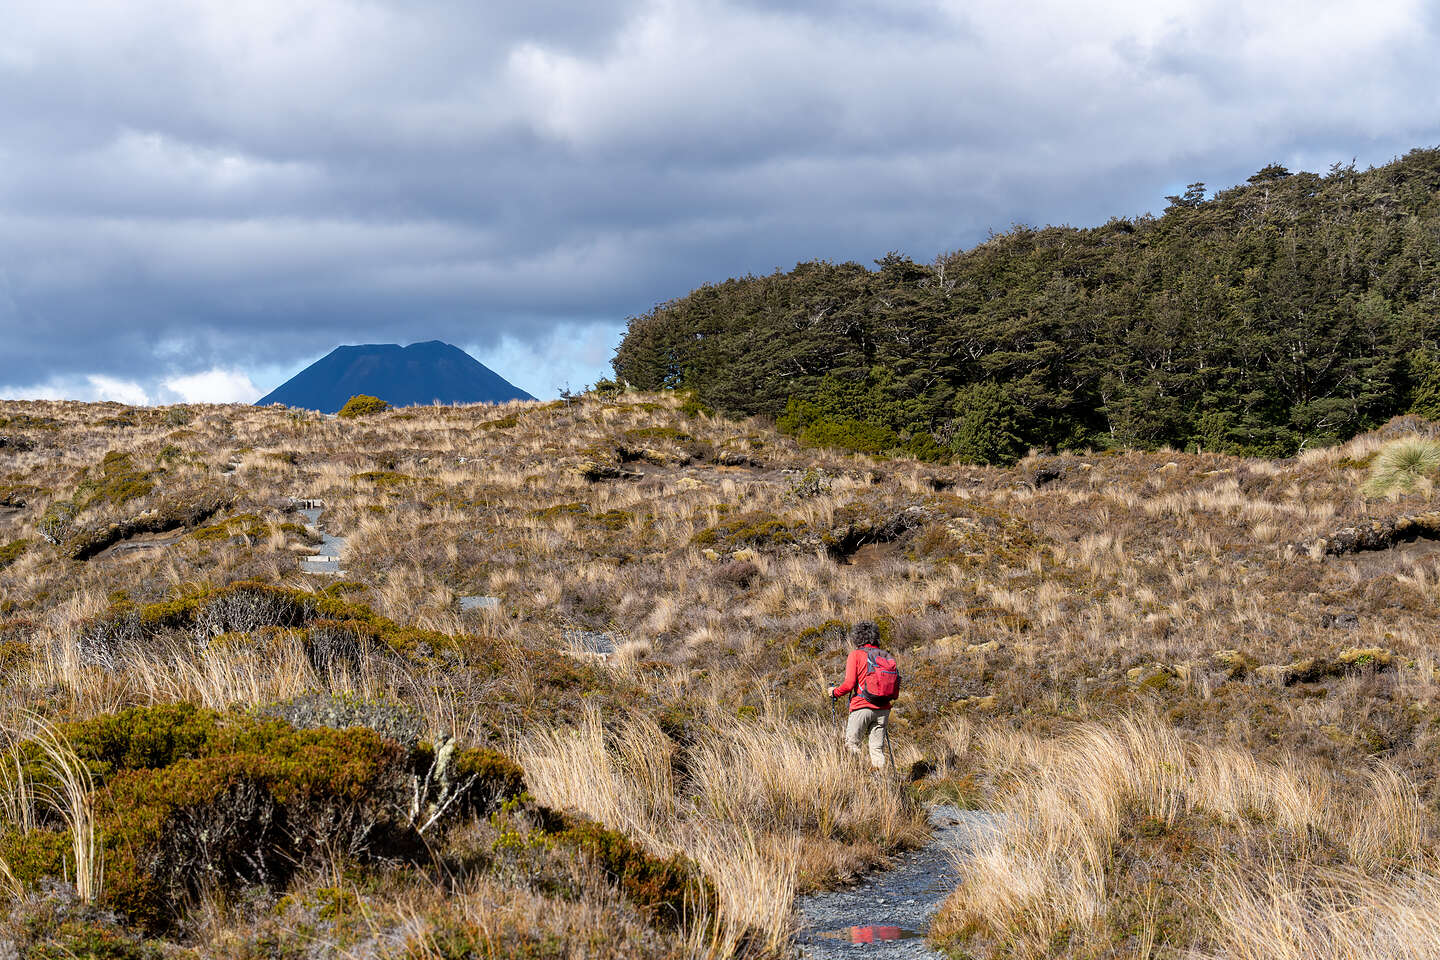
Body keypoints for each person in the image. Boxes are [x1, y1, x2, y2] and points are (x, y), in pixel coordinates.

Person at [829, 620, 900, 769]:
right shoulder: (886, 656)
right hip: (883, 709)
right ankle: (882, 783)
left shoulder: (855, 655)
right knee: (877, 749)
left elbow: (849, 685)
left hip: (861, 706)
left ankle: (858, 780)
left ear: (857, 637)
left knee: (852, 745)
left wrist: (834, 692)